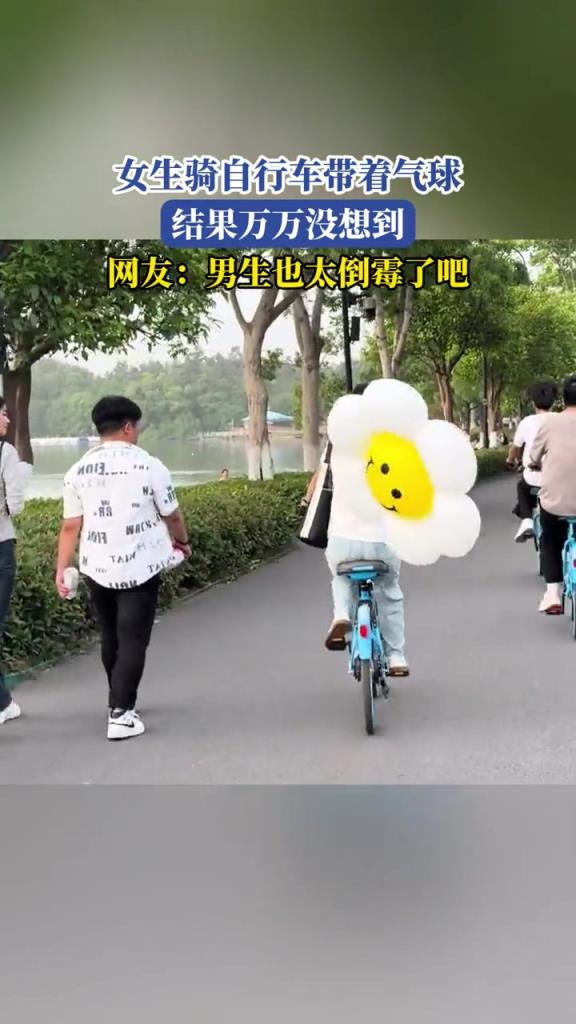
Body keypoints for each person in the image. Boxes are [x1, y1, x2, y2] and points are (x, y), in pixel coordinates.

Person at [55, 396, 191, 740]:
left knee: (111, 634)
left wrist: (61, 568)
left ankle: (117, 700)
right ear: (128, 426)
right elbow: (171, 514)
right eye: (137, 427)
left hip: (96, 565)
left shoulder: (77, 471)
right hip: (140, 564)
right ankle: (121, 714)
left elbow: (70, 526)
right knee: (133, 637)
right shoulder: (150, 465)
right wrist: (182, 542)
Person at [320, 383, 409, 677]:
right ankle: (396, 656)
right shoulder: (391, 446)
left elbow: (320, 481)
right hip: (383, 542)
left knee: (340, 578)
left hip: (342, 540)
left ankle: (341, 614)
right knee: (389, 592)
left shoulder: (337, 447)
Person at [530, 375, 576, 614]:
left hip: (556, 501)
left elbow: (533, 457)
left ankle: (553, 594)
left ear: (563, 399)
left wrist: (535, 464)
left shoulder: (550, 423)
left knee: (549, 539)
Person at [0, 399, 26, 726]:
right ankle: (4, 702)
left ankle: (4, 703)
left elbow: (14, 505)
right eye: (3, 413)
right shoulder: (6, 453)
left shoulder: (6, 452)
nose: (7, 419)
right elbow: (14, 505)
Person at [507, 381, 558, 542]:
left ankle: (527, 520)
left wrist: (510, 460)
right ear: (554, 401)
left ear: (533, 403)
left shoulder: (526, 422)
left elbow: (515, 448)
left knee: (522, 487)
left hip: (534, 478)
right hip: (559, 477)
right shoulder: (561, 420)